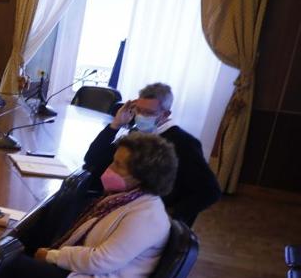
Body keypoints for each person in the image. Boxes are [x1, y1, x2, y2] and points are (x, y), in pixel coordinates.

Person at [0, 132, 179, 278]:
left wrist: (51, 256)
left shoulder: (147, 216)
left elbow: (101, 260)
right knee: (12, 260)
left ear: (141, 176)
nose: (110, 168)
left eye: (118, 165)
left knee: (5, 268)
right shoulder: (125, 199)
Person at [82, 82, 220, 226]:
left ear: (165, 114)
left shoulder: (184, 143)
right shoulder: (137, 133)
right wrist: (115, 125)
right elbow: (92, 160)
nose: (140, 116)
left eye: (148, 113)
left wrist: (170, 215)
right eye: (138, 110)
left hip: (149, 218)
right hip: (124, 208)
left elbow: (210, 191)